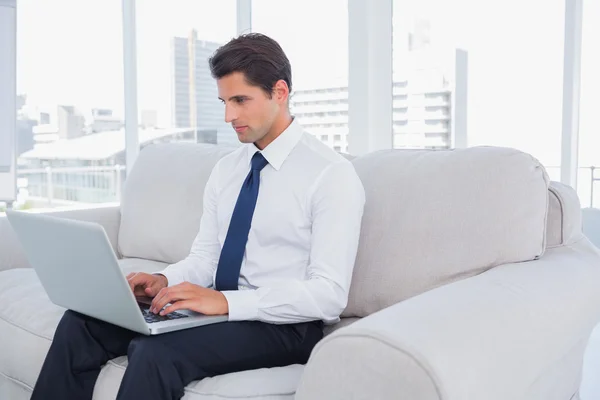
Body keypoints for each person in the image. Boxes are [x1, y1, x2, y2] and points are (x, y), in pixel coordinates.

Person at [31, 33, 365, 400]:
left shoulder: (330, 175)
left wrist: (226, 302)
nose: (228, 116)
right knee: (82, 324)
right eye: (224, 101)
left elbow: (329, 294)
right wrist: (163, 280)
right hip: (219, 307)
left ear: (280, 92)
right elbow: (206, 257)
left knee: (155, 353)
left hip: (287, 324)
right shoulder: (227, 169)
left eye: (240, 100)